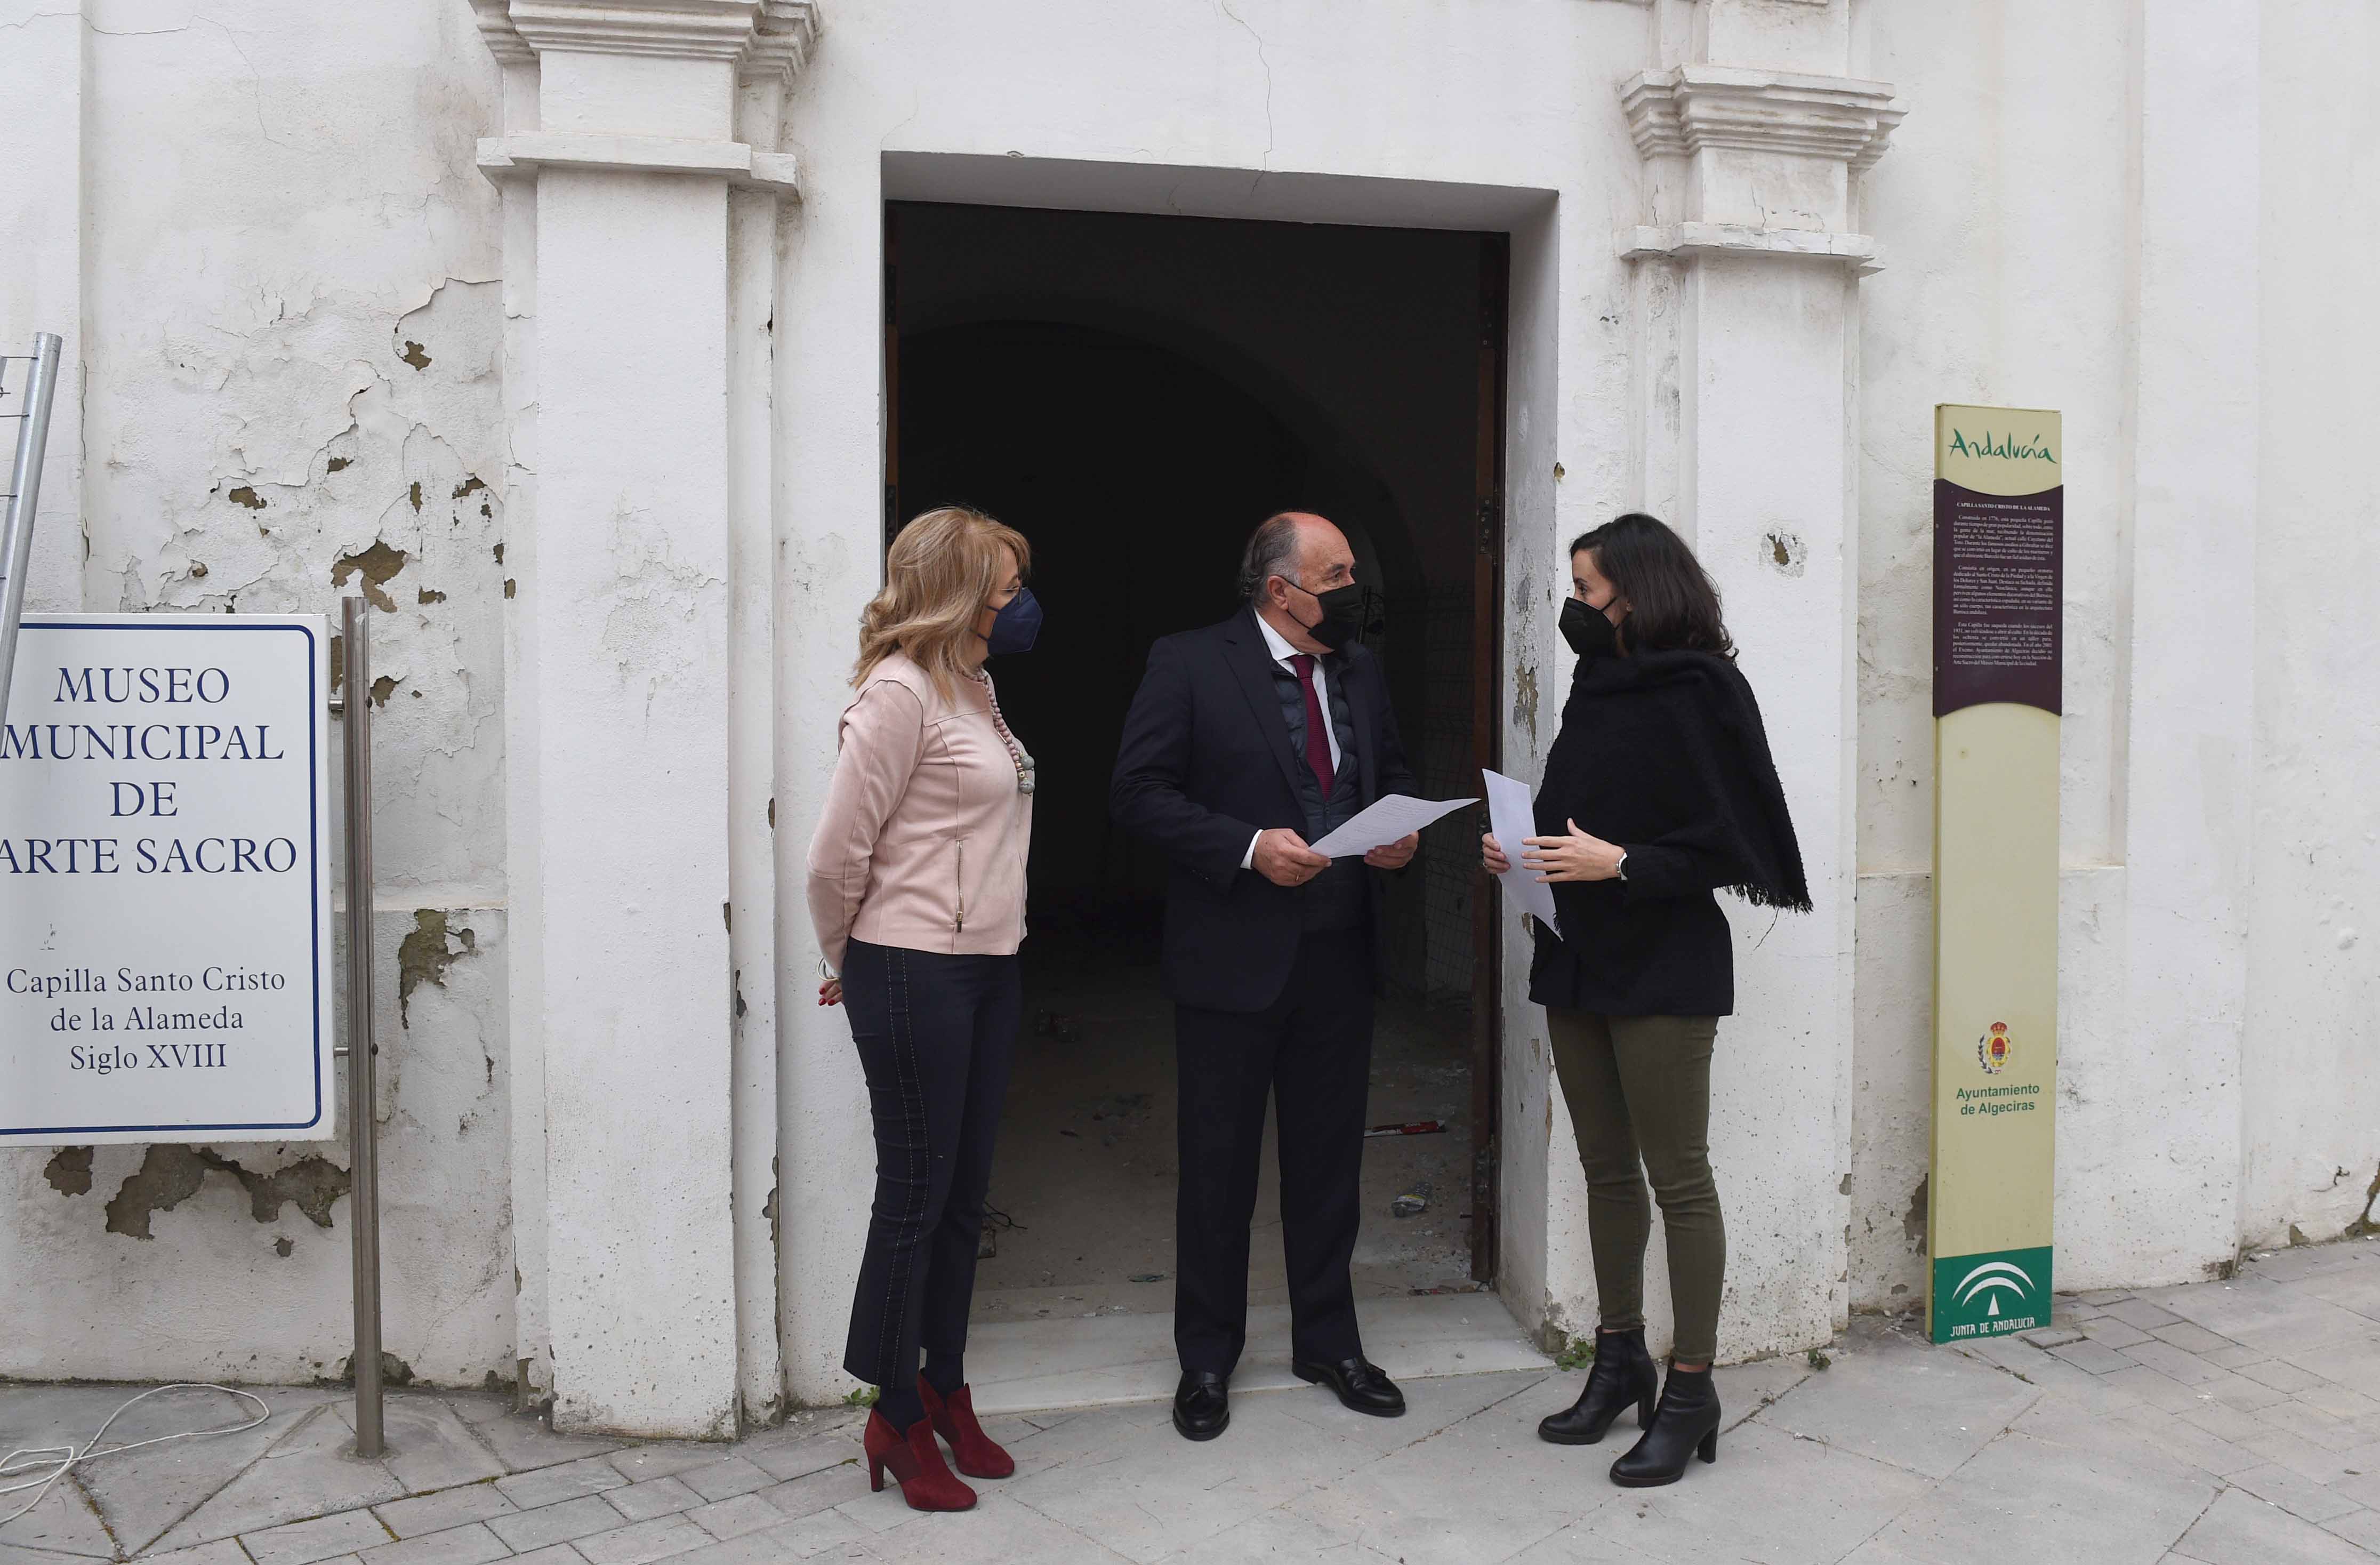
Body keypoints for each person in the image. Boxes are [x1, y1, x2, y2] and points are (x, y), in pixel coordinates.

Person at [1482, 513, 1808, 1488]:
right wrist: (1525, 848)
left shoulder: (1706, 688)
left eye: (1589, 591)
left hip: (1665, 962)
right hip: (1578, 955)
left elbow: (1734, 844)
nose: (1577, 608)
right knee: (1605, 1170)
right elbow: (1575, 809)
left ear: (1639, 591)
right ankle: (1619, 1356)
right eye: (1577, 590)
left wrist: (1618, 862)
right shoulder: (1596, 683)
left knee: (1680, 1180)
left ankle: (1694, 1388)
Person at [1111, 511, 1423, 1442]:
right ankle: (1206, 1358)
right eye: (1337, 575)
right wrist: (1245, 847)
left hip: (1338, 954)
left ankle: (1329, 1341)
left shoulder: (1361, 671)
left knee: (1329, 1165)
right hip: (1231, 959)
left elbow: (1391, 773)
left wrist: (1398, 835)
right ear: (1280, 590)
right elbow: (1137, 792)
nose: (1353, 589)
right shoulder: (1190, 662)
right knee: (1218, 1168)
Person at [806, 504, 1043, 1512]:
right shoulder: (897, 693)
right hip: (910, 967)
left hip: (988, 964)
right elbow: (834, 855)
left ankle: (946, 1384)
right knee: (915, 1195)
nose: (1019, 603)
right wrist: (843, 956)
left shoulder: (974, 685)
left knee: (963, 1195)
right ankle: (893, 1411)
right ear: (956, 592)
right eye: (1004, 584)